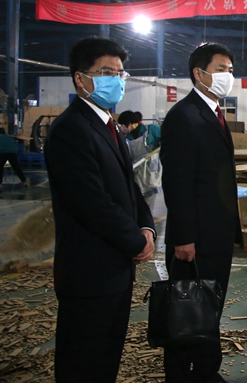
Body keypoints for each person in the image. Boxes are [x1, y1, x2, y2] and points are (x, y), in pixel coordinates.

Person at [44, 37, 155, 383]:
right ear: (80, 78)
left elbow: (130, 186)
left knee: (106, 358)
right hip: (89, 271)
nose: (116, 80)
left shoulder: (109, 126)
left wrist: (147, 227)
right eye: (106, 72)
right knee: (84, 363)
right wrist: (135, 242)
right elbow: (90, 202)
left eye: (120, 73)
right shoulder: (71, 129)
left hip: (115, 269)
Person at [160, 42, 242, 383]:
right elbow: (176, 182)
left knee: (210, 306)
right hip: (194, 239)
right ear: (199, 73)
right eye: (221, 69)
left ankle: (207, 371)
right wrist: (184, 238)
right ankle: (179, 375)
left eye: (230, 70)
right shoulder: (183, 116)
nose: (228, 76)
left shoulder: (215, 114)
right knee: (186, 311)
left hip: (217, 234)